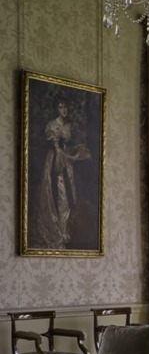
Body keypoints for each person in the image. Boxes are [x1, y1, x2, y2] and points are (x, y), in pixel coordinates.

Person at [33, 101, 91, 250]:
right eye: (60, 107)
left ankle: (65, 232)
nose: (64, 109)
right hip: (56, 160)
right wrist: (61, 155)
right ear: (56, 109)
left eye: (65, 107)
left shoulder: (68, 126)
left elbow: (67, 146)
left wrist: (75, 153)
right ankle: (59, 232)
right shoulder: (52, 125)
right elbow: (56, 148)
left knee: (70, 195)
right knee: (60, 194)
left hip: (66, 161)